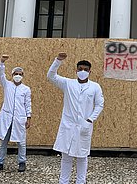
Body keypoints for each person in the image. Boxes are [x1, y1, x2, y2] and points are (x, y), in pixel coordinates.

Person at [47, 52, 104, 184]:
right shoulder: (68, 83)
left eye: (85, 70)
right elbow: (51, 76)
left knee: (82, 157)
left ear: (90, 71)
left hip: (84, 126)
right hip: (68, 126)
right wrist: (58, 61)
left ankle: (81, 181)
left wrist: (90, 119)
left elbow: (100, 104)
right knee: (66, 157)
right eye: (80, 69)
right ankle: (63, 182)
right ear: (76, 70)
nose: (82, 71)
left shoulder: (95, 87)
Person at [0, 54, 32, 173]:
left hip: (20, 119)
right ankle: (0, 163)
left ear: (23, 76)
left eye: (20, 74)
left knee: (21, 142)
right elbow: (0, 74)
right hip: (7, 118)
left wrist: (28, 118)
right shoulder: (7, 85)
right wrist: (2, 63)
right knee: (3, 141)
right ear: (12, 75)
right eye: (16, 74)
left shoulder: (26, 89)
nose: (18, 76)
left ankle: (22, 162)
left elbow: (28, 104)